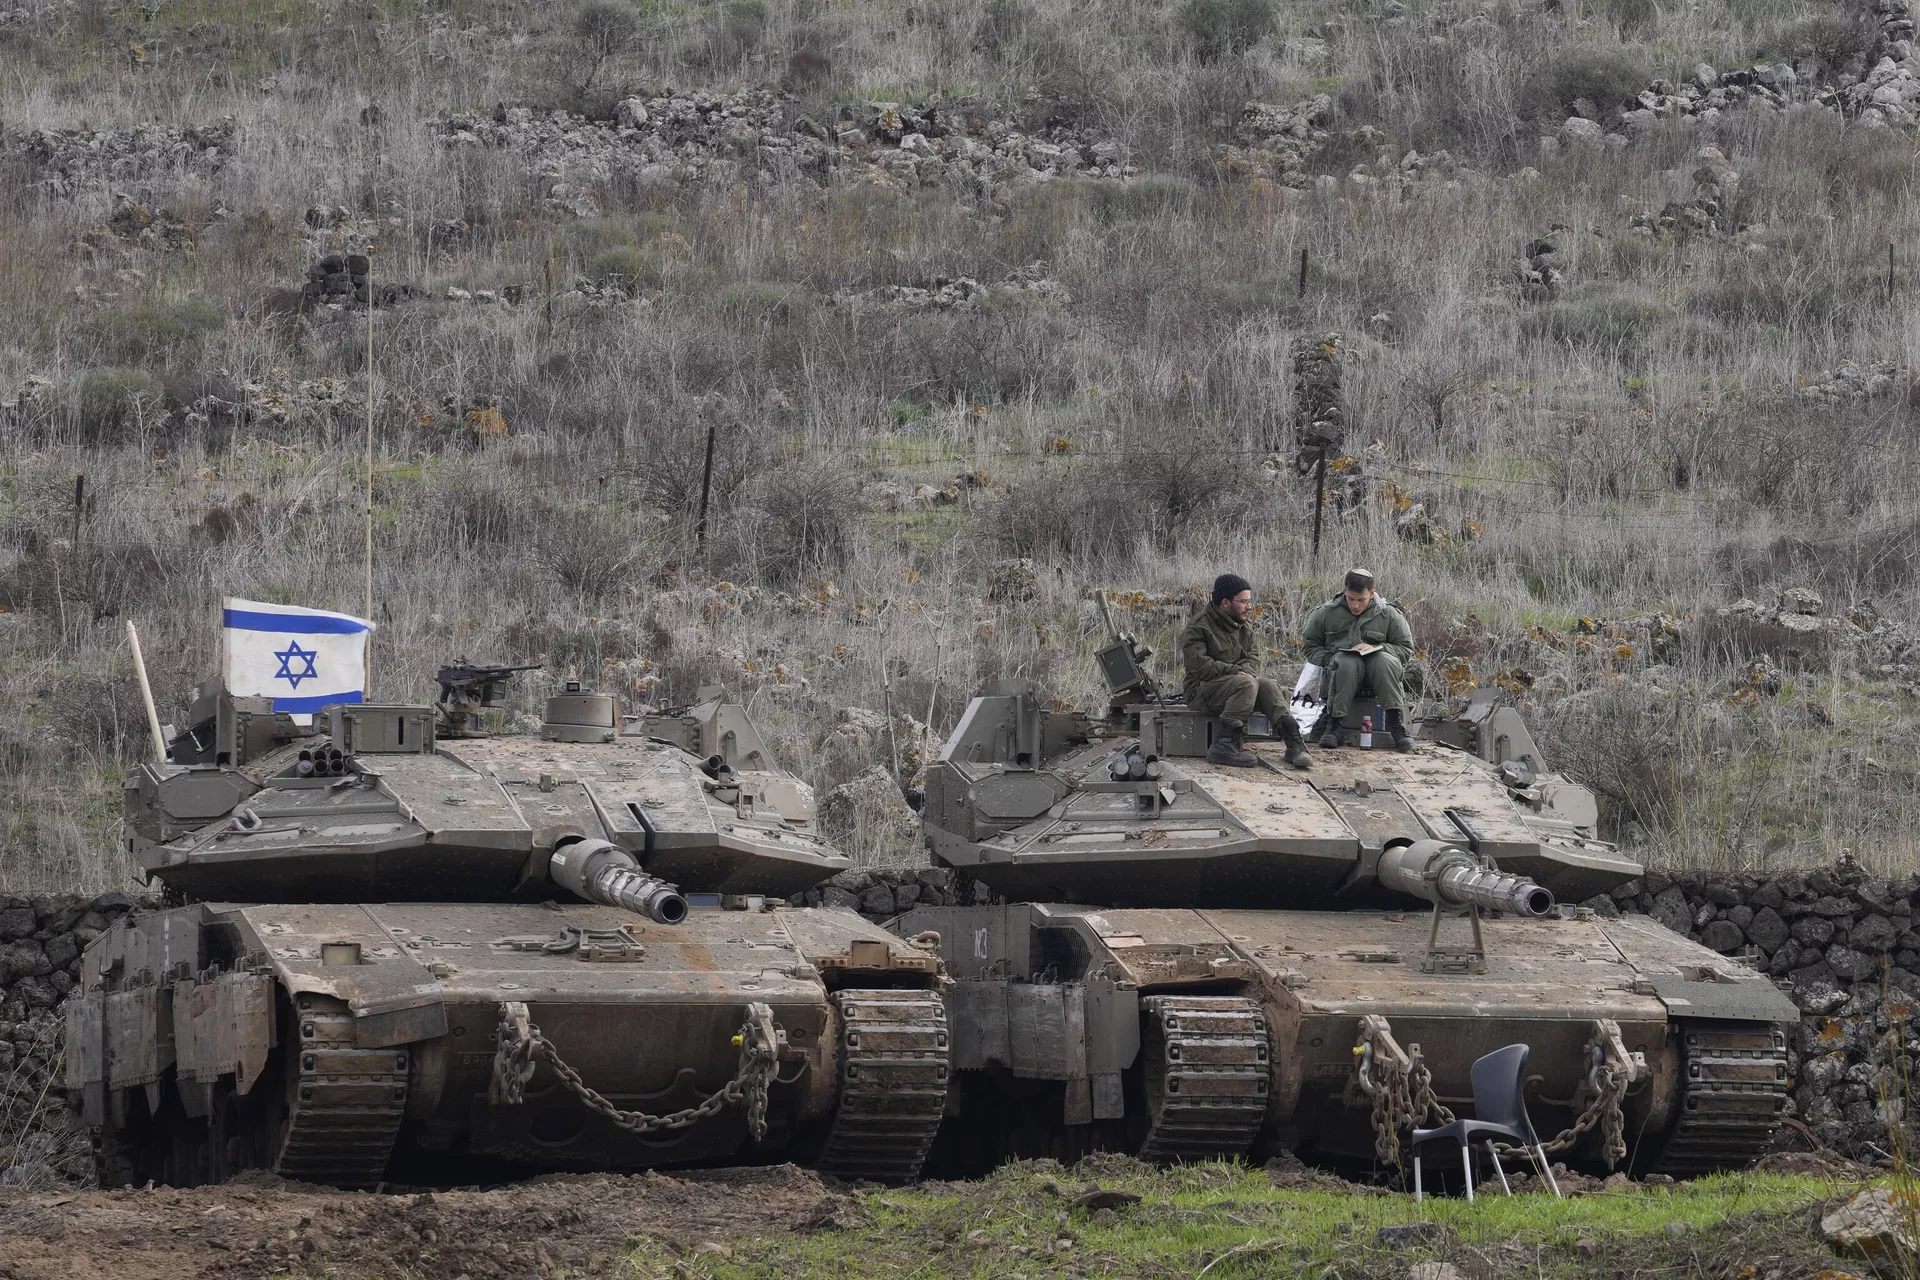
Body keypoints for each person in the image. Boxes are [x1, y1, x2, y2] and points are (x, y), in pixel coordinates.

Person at [1180, 573, 1311, 769]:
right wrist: (1235, 672)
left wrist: (1244, 673)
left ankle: (1294, 743)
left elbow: (1254, 658)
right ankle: (1223, 745)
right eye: (1243, 602)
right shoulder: (1199, 627)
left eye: (1250, 601)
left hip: (1239, 688)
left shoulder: (1244, 626)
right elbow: (1199, 666)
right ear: (1225, 603)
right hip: (1201, 690)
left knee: (1267, 685)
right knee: (1247, 683)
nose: (1250, 607)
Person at [1301, 568, 1415, 751]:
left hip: (1378, 676)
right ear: (1345, 590)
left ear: (1372, 593)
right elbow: (1309, 645)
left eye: (1361, 600)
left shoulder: (1389, 614)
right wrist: (1331, 659)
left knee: (1383, 661)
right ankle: (1334, 724)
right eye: (1351, 599)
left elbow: (1405, 649)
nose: (1355, 605)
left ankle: (1395, 724)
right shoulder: (1326, 613)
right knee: (1347, 662)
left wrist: (1379, 648)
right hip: (1340, 673)